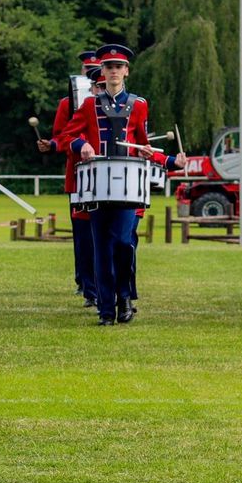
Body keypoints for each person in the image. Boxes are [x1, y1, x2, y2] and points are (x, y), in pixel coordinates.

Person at [59, 44, 151, 326]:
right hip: (97, 185)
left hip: (127, 186)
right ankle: (106, 310)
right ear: (103, 72)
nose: (113, 71)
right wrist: (82, 144)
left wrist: (155, 154)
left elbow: (143, 143)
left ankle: (124, 297)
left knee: (123, 243)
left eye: (118, 67)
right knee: (101, 248)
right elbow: (67, 137)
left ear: (126, 71)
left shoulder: (139, 104)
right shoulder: (89, 104)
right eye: (108, 67)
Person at [39, 49, 101, 306]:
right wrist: (51, 145)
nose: (91, 74)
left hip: (110, 174)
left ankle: (105, 285)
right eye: (88, 70)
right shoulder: (69, 103)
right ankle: (87, 284)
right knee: (84, 233)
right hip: (78, 176)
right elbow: (61, 136)